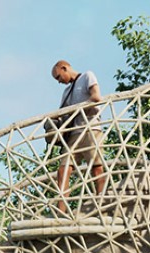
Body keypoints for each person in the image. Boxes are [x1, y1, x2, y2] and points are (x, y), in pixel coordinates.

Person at [50, 60, 107, 211]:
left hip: (91, 128)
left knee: (96, 168)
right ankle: (61, 210)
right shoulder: (66, 91)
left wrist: (77, 109)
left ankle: (101, 204)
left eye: (58, 77)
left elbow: (96, 97)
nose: (59, 82)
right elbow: (62, 113)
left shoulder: (87, 76)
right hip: (74, 133)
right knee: (63, 170)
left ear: (64, 68)